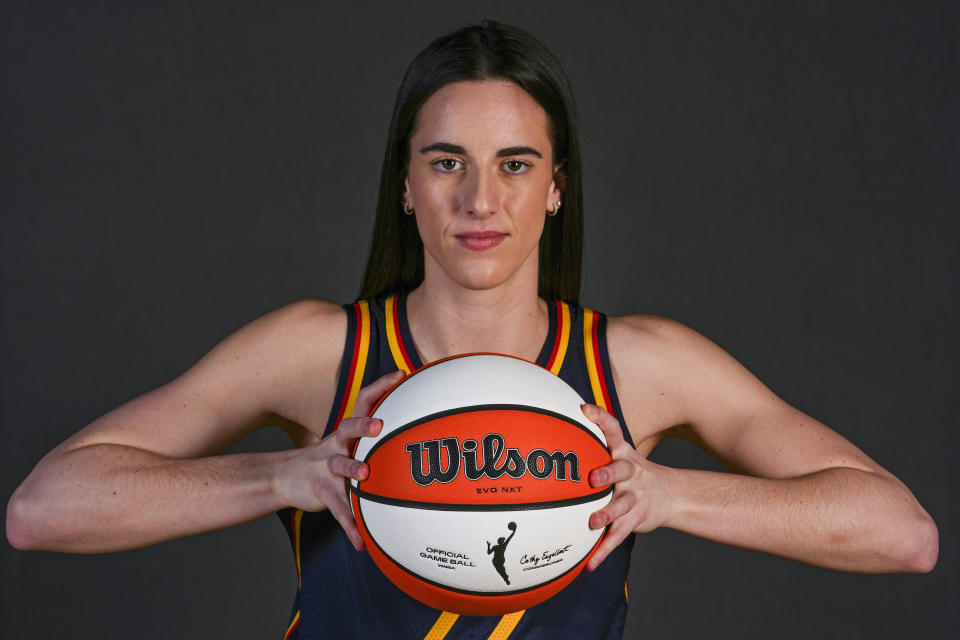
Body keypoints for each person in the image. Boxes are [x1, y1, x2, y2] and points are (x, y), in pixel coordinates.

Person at [5, 20, 937, 640]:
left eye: (516, 164)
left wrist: (671, 496)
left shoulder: (637, 367)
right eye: (445, 161)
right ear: (406, 188)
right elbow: (44, 511)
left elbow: (901, 531)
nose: (480, 198)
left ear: (557, 188)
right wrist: (280, 475)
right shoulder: (319, 354)